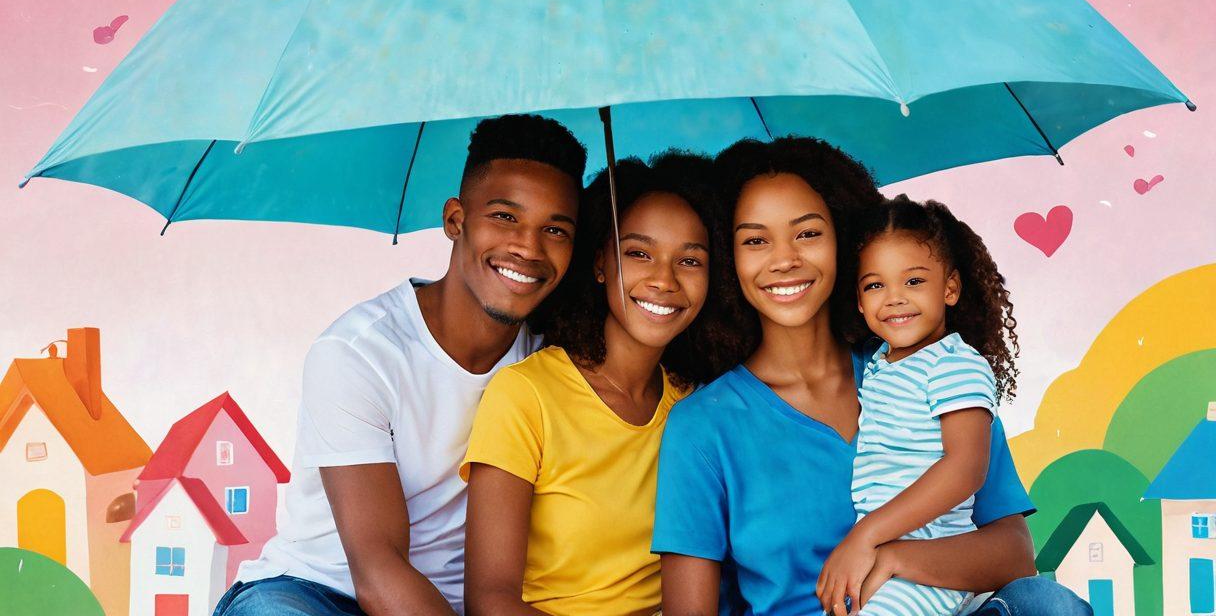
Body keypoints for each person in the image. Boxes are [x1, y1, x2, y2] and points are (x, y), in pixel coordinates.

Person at [653, 136, 1092, 616]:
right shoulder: (702, 427)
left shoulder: (924, 371)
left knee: (1047, 604)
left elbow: (1014, 553)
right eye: (755, 240)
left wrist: (888, 555)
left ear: (845, 242)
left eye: (807, 233)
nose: (784, 259)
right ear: (727, 258)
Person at [213, 114, 587, 616]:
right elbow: (377, 569)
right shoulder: (359, 352)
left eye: (556, 230)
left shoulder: (554, 358)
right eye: (504, 217)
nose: (528, 246)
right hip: (321, 592)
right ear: (456, 220)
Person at [461, 153, 742, 616]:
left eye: (689, 260)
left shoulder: (696, 405)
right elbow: (489, 601)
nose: (663, 280)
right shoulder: (525, 395)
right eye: (638, 253)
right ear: (599, 264)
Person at [817, 196, 1021, 614]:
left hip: (928, 561)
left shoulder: (955, 364)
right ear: (858, 300)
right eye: (875, 285)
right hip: (880, 562)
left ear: (950, 288)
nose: (894, 298)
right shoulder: (877, 365)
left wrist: (865, 536)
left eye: (913, 281)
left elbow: (966, 467)